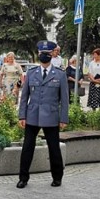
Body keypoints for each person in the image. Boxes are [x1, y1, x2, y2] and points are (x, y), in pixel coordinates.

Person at [17, 41, 69, 189]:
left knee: (54, 148)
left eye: (47, 54)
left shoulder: (60, 74)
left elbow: (64, 99)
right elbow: (24, 96)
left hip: (51, 116)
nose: (44, 56)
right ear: (38, 54)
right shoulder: (32, 73)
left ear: (52, 54)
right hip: (32, 115)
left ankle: (57, 177)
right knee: (27, 147)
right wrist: (22, 116)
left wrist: (63, 118)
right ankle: (23, 178)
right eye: (42, 54)